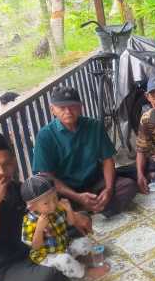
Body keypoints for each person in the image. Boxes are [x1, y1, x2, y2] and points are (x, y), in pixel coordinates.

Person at [0, 132, 91, 281]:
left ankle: (66, 262)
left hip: (36, 250)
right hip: (9, 266)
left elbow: (45, 212)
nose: (1, 172)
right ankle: (64, 266)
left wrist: (73, 217)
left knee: (80, 221)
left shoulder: (18, 188)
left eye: (7, 164)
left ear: (14, 163)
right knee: (49, 279)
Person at [32, 86, 137, 215]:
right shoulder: (45, 136)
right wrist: (77, 197)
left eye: (73, 106)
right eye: (62, 108)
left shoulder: (94, 126)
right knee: (49, 208)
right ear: (52, 110)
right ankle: (92, 210)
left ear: (81, 107)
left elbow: (107, 160)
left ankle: (88, 211)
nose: (68, 111)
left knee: (128, 185)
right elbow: (47, 176)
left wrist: (109, 189)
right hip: (67, 190)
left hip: (95, 182)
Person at [21, 174, 110, 280]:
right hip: (48, 256)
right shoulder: (30, 222)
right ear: (32, 207)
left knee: (85, 242)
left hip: (64, 246)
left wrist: (69, 210)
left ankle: (83, 259)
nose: (53, 205)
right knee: (64, 260)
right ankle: (85, 272)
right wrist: (39, 228)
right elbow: (35, 246)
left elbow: (71, 223)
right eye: (46, 203)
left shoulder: (56, 209)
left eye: (55, 198)